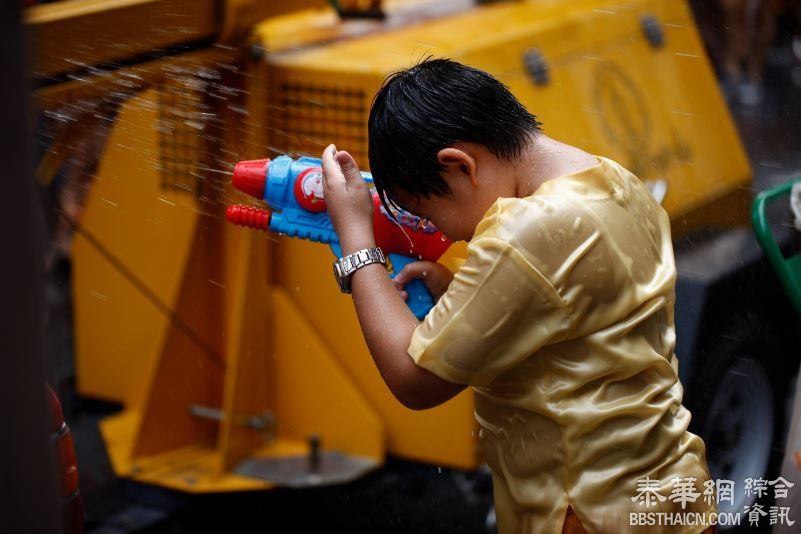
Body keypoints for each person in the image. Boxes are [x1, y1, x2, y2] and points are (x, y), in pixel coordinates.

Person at [320, 58, 716, 534]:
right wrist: (464, 296)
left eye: (426, 212)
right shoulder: (616, 182)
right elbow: (580, 329)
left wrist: (357, 242)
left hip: (585, 514)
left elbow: (413, 381)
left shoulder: (524, 233)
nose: (439, 230)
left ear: (459, 165)